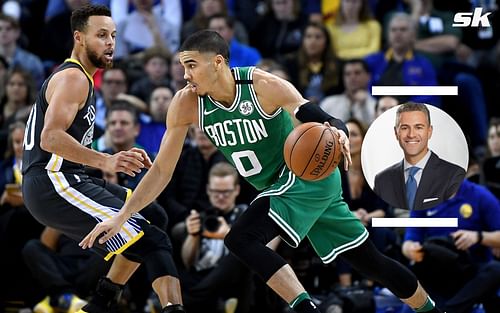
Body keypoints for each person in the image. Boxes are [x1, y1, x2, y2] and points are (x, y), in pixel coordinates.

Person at [81, 30, 443, 313]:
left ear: (218, 62)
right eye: (182, 66)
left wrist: (339, 131)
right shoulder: (186, 104)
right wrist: (123, 215)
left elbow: (314, 113)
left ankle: (306, 309)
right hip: (278, 188)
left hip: (306, 176)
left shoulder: (260, 85)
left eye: (192, 65)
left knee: (240, 239)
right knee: (371, 262)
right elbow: (160, 171)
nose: (185, 74)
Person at [21, 5, 184, 313]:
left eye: (113, 35)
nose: (110, 43)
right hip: (54, 183)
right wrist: (107, 161)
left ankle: (97, 305)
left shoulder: (80, 78)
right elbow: (50, 137)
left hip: (68, 179)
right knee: (155, 241)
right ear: (79, 38)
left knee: (154, 214)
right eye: (101, 35)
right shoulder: (74, 79)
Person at [402, 178, 500, 313]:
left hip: (470, 271)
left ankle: (448, 310)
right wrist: (411, 250)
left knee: (496, 269)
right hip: (437, 270)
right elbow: (409, 240)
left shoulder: (479, 195)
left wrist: (478, 237)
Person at [180, 162, 252, 313]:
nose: (220, 197)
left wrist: (230, 236)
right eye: (215, 191)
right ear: (208, 190)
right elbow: (188, 262)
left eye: (226, 192)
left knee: (240, 253)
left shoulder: (245, 215)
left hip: (231, 281)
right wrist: (193, 236)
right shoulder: (201, 217)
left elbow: (256, 257)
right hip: (202, 277)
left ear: (237, 190)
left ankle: (186, 301)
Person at [374, 102, 466, 211]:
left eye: (418, 127)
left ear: (429, 131)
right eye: (404, 128)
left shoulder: (454, 175)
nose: (411, 134)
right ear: (396, 133)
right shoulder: (382, 179)